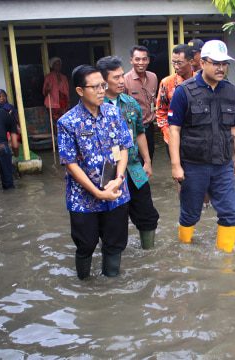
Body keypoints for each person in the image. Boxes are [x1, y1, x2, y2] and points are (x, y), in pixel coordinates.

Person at [168, 40, 235, 253]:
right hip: (194, 164)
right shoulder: (184, 91)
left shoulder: (231, 91)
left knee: (229, 214)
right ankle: (185, 254)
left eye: (224, 64)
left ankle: (226, 265)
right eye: (215, 63)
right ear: (202, 63)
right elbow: (174, 129)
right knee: (191, 213)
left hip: (223, 164)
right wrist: (176, 165)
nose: (221, 68)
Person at [58, 64, 134, 280]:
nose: (102, 90)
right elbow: (70, 163)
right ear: (80, 91)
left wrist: (119, 179)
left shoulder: (113, 112)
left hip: (116, 191)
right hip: (83, 198)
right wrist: (98, 193)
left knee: (115, 243)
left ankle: (111, 289)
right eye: (95, 87)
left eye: (103, 85)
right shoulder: (67, 122)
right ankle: (84, 285)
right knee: (86, 244)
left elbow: (123, 148)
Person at [96, 56, 159, 250]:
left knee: (146, 213)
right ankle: (112, 255)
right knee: (112, 218)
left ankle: (148, 254)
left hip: (133, 167)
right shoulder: (95, 105)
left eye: (123, 76)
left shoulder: (130, 103)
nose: (122, 81)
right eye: (116, 77)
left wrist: (147, 161)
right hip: (107, 172)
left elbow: (140, 132)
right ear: (103, 81)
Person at [156, 44, 196, 146]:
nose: (176, 66)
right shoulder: (167, 82)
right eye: (174, 63)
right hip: (173, 136)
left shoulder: (200, 81)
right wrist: (166, 131)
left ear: (191, 62)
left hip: (197, 137)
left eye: (179, 63)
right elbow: (160, 110)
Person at [124, 46, 158, 161]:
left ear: (148, 60)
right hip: (133, 130)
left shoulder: (153, 77)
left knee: (149, 159)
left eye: (144, 59)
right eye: (137, 59)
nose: (141, 63)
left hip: (149, 128)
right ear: (131, 60)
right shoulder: (125, 81)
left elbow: (154, 100)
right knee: (136, 162)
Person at [43, 56, 70, 125]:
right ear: (52, 66)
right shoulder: (48, 77)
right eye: (56, 64)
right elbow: (44, 92)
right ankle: (57, 134)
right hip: (53, 104)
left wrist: (67, 103)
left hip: (63, 103)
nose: (58, 66)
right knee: (57, 122)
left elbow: (67, 91)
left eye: (59, 64)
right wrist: (47, 89)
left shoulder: (64, 77)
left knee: (66, 121)